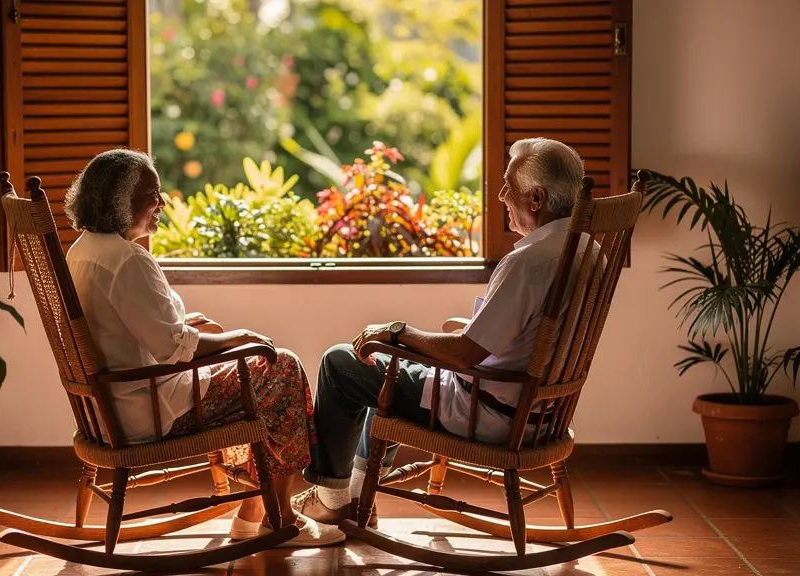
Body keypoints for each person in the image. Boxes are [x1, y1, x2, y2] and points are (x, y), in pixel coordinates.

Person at [292, 137, 597, 525]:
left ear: (536, 199)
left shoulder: (529, 263)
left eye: (509, 185)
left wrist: (399, 333)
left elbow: (466, 354)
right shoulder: (587, 250)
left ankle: (333, 502)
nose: (501, 194)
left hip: (484, 411)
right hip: (542, 414)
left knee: (342, 364)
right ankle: (356, 497)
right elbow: (520, 335)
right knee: (384, 369)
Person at [64, 148, 344, 547]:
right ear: (119, 201)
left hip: (107, 408)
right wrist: (236, 338)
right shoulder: (128, 261)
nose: (160, 203)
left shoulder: (83, 251)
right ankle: (279, 518)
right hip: (148, 410)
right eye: (151, 194)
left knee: (252, 372)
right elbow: (172, 347)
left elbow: (135, 327)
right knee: (280, 368)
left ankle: (251, 513)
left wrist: (194, 327)